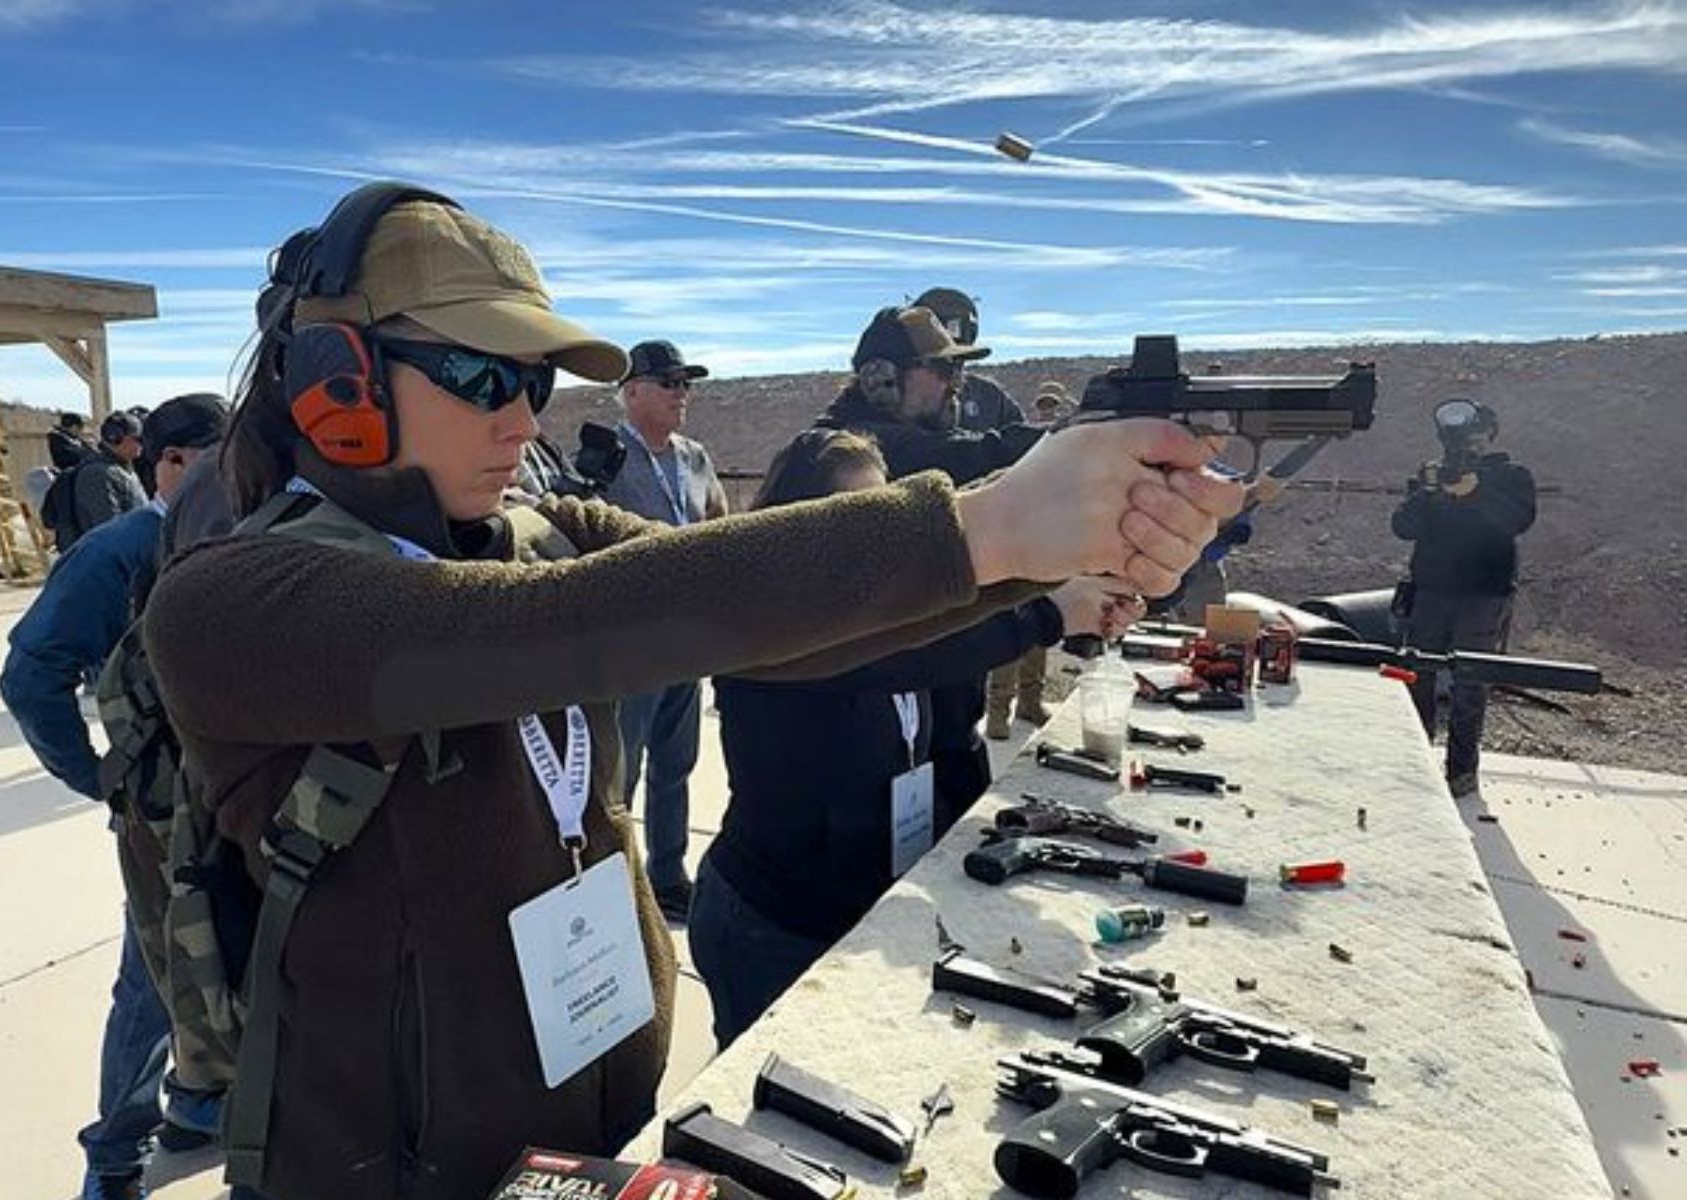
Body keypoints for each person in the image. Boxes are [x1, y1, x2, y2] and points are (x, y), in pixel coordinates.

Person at [140, 182, 1240, 1200]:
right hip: (385, 1171)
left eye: (533, 379)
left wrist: (1032, 557)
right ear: (336, 376)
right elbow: (551, 630)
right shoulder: (230, 604)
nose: (519, 415)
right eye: (479, 373)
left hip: (587, 1119)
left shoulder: (532, 533)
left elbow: (767, 626)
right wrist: (988, 523)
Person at [691, 429, 1146, 1045]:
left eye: (885, 523)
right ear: (796, 531)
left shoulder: (893, 625)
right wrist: (1046, 613)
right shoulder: (774, 628)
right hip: (772, 925)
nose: (874, 548)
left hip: (861, 914)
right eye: (850, 523)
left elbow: (952, 731)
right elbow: (886, 660)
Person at [0, 393, 229, 1200]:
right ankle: (115, 1156)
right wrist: (93, 774)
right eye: (216, 459)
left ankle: (200, 1103)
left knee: (232, 962)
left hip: (245, 802)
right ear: (168, 463)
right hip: (164, 818)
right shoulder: (126, 550)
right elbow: (31, 675)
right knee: (155, 980)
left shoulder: (245, 538)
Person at [819, 304, 1052, 823]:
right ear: (881, 378)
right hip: (884, 741)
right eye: (943, 370)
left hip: (942, 716)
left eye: (960, 370)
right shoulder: (840, 452)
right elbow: (972, 456)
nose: (958, 384)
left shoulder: (900, 444)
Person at [598, 339, 728, 921]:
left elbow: (716, 522)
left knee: (677, 763)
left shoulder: (695, 456)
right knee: (621, 770)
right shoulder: (607, 458)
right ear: (631, 392)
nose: (682, 393)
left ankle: (668, 874)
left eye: (686, 383)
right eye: (669, 382)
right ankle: (614, 882)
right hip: (631, 645)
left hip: (687, 642)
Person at [1392, 398, 1536, 799]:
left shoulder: (1511, 477)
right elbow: (1403, 526)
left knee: (1470, 684)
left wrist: (1476, 493)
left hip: (1482, 595)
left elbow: (1516, 521)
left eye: (1476, 437)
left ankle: (1461, 770)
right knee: (1417, 677)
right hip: (1431, 592)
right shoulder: (1432, 475)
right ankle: (1416, 760)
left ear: (1489, 436)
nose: (1469, 446)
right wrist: (1429, 493)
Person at [983, 380, 1074, 739]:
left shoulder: (1065, 454)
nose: (1047, 413)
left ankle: (1029, 702)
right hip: (1016, 552)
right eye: (1043, 406)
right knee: (1011, 636)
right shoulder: (1022, 447)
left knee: (1039, 634)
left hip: (1050, 553)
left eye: (1054, 407)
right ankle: (997, 712)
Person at [913, 286, 1025, 431]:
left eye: (956, 360)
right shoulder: (891, 398)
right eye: (936, 363)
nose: (948, 376)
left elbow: (1024, 441)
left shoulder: (989, 397)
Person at [52, 410, 148, 553]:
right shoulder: (97, 475)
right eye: (138, 439)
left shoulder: (122, 468)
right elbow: (109, 530)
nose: (142, 444)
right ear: (115, 438)